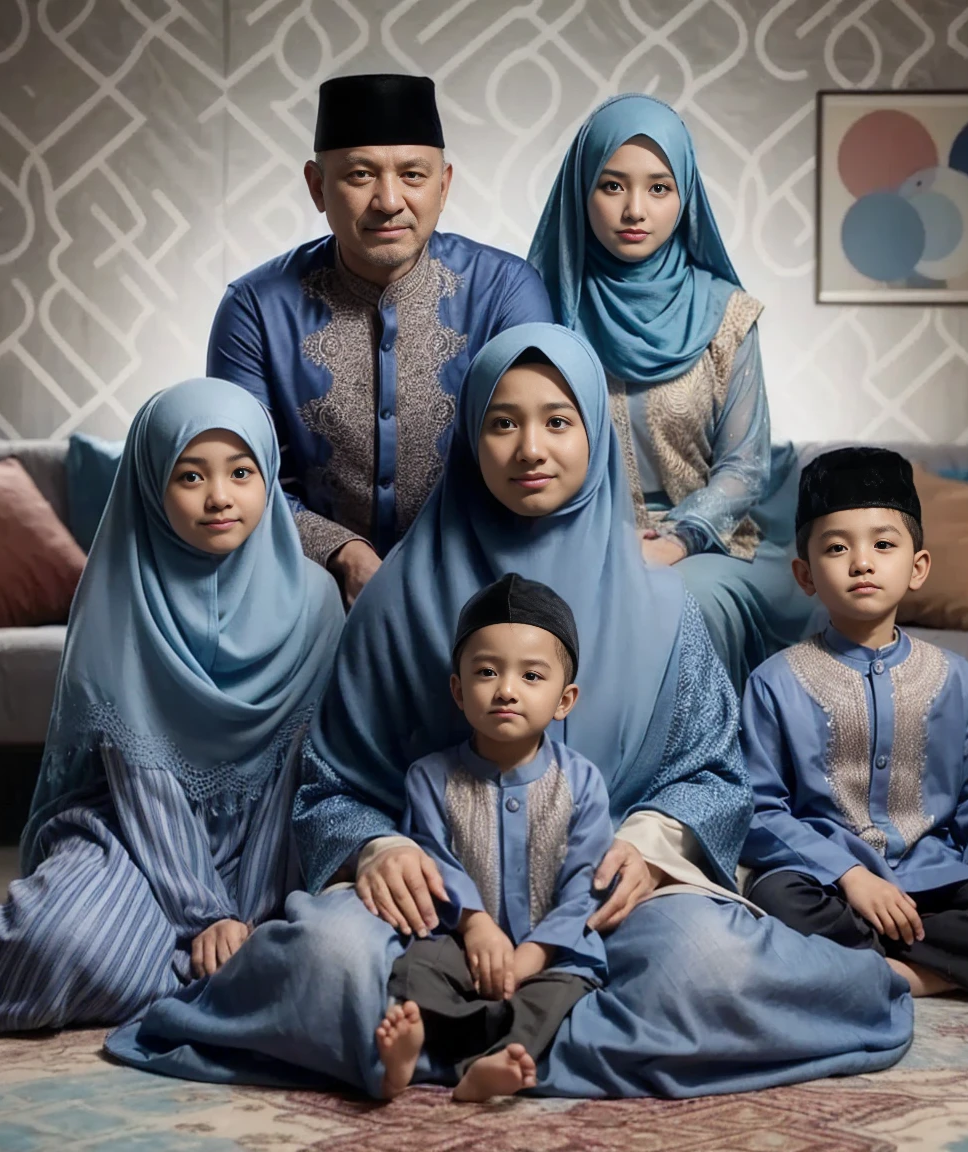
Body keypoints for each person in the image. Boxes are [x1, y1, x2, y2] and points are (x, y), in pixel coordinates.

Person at [104, 324, 912, 1098]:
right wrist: (380, 849)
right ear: (468, 438)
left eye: (558, 421)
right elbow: (331, 786)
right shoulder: (394, 598)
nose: (530, 449)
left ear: (596, 431)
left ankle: (442, 1043)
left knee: (706, 964)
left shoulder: (665, 607)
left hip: (599, 902)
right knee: (329, 962)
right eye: (502, 423)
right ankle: (550, 1036)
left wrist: (648, 843)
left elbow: (711, 773)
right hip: (425, 907)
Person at [0, 379, 343, 1032]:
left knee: (298, 959)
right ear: (150, 483)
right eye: (190, 476)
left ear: (268, 478)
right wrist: (206, 915)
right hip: (136, 837)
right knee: (61, 953)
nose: (220, 497)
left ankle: (191, 961)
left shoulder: (315, 603)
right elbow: (142, 780)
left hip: (271, 846)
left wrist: (250, 918)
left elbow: (296, 774)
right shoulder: (122, 593)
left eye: (241, 472)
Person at [740, 446, 968, 998]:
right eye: (835, 548)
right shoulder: (775, 682)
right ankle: (947, 974)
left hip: (933, 877)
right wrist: (851, 876)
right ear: (804, 574)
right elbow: (758, 809)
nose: (862, 562)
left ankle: (879, 974)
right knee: (777, 902)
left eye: (883, 544)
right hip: (829, 885)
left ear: (917, 567)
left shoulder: (957, 680)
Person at [208, 73, 553, 606]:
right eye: (360, 175)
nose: (389, 201)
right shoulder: (254, 308)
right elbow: (239, 475)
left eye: (413, 175)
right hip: (304, 586)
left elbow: (529, 457)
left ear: (445, 184)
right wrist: (341, 553)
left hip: (477, 577)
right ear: (317, 187)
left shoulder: (506, 292)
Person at [529, 93, 813, 688]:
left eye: (659, 188)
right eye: (612, 186)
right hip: (573, 536)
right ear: (581, 191)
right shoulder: (540, 308)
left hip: (708, 544)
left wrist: (676, 539)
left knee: (684, 600)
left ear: (686, 197)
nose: (636, 210)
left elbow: (744, 468)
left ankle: (701, 776)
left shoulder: (727, 315)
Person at [376, 573, 612, 1102]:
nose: (506, 689)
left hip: (549, 954)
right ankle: (410, 1055)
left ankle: (484, 1068)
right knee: (416, 971)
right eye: (486, 672)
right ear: (458, 691)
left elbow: (587, 889)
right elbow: (432, 861)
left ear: (564, 699)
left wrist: (531, 957)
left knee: (563, 992)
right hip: (460, 943)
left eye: (531, 676)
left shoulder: (582, 783)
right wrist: (476, 925)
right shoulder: (430, 778)